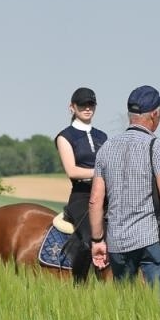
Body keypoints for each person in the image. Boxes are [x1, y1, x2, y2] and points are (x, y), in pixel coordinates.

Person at [88, 85, 160, 298]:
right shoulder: (157, 146)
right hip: (151, 240)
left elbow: (95, 201)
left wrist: (98, 240)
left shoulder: (106, 148)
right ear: (154, 115)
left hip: (117, 241)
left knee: (126, 305)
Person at [55, 87, 105, 238]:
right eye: (83, 104)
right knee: (91, 235)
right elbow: (72, 171)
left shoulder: (102, 136)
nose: (88, 108)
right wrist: (102, 172)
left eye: (91, 104)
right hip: (82, 196)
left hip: (106, 192)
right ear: (72, 107)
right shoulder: (64, 137)